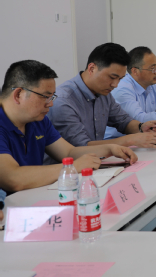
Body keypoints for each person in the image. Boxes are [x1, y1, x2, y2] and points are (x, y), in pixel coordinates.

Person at [0, 60, 136, 193]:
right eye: (45, 96)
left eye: (52, 97)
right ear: (18, 94)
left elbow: (69, 152)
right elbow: (12, 178)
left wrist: (109, 149)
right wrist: (72, 167)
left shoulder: (38, 121)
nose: (50, 104)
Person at [47, 43, 156, 149]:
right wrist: (130, 140)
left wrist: (141, 127)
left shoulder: (103, 92)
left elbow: (123, 121)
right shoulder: (64, 101)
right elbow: (81, 147)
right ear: (92, 68)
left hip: (96, 160)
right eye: (112, 77)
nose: (115, 85)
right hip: (70, 164)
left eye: (120, 79)